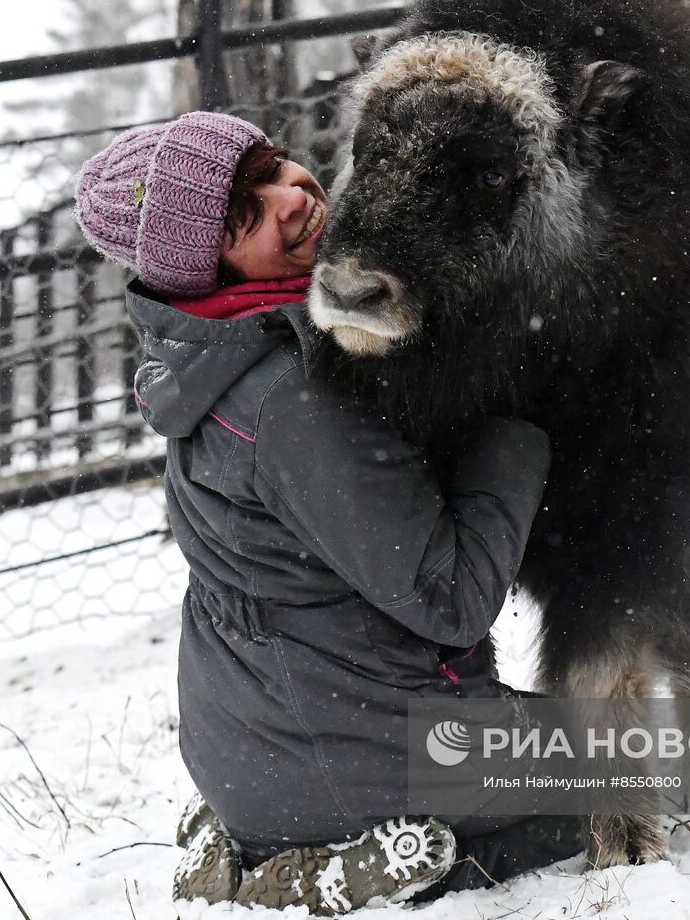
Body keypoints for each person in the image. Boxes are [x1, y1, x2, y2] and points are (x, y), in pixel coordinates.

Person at [74, 112, 585, 915]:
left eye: (274, 168)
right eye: (246, 216)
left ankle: (269, 843)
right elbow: (448, 597)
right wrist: (510, 414)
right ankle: (346, 867)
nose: (292, 197)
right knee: (648, 767)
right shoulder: (295, 398)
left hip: (256, 749)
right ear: (202, 269)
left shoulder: (211, 362)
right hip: (364, 756)